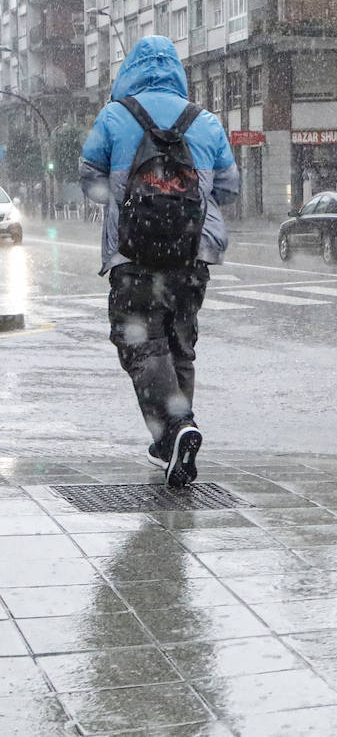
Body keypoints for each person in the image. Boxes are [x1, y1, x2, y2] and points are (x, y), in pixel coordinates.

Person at [79, 36, 240, 488]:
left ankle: (173, 431)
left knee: (141, 342)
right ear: (176, 71)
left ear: (130, 68)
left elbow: (89, 177)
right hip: (193, 254)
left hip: (133, 255)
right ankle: (174, 440)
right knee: (179, 343)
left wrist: (127, 202)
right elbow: (228, 188)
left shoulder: (115, 115)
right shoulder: (204, 121)